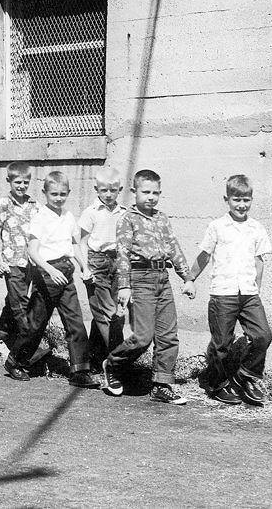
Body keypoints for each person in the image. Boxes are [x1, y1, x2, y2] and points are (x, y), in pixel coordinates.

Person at [102, 169, 191, 405]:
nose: (151, 197)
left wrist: (187, 277)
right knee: (142, 336)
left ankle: (162, 385)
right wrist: (124, 286)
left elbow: (174, 247)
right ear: (134, 192)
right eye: (146, 192)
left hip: (162, 277)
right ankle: (112, 364)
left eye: (156, 193)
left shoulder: (162, 218)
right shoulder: (127, 219)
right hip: (139, 278)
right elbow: (122, 254)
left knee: (168, 336)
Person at [185, 175, 272, 406]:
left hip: (249, 294)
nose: (242, 205)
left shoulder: (256, 228)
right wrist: (190, 278)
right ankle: (217, 383)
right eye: (237, 199)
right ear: (227, 199)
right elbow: (204, 255)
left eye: (246, 199)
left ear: (251, 200)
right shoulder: (217, 227)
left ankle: (246, 375)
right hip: (223, 293)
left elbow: (259, 261)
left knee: (263, 336)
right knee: (221, 343)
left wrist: (257, 290)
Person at [4, 172, 95, 388]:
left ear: (68, 194)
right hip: (46, 274)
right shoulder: (40, 217)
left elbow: (73, 245)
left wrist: (84, 266)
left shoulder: (68, 216)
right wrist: (49, 269)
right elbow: (33, 251)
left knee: (76, 323)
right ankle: (15, 361)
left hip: (66, 272)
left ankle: (79, 371)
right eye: (54, 194)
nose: (59, 198)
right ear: (45, 193)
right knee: (36, 324)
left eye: (63, 194)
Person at [77, 167, 126, 371]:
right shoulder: (90, 213)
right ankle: (118, 362)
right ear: (96, 189)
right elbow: (81, 242)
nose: (108, 194)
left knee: (108, 311)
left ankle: (94, 357)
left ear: (119, 190)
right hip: (96, 262)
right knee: (107, 312)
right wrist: (84, 267)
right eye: (104, 190)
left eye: (113, 190)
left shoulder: (123, 212)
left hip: (116, 262)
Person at [0, 161, 40, 360]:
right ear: (9, 181)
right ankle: (28, 346)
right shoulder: (3, 204)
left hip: (29, 262)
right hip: (10, 262)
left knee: (13, 301)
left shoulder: (34, 205)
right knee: (20, 303)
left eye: (25, 182)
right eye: (17, 182)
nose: (21, 186)